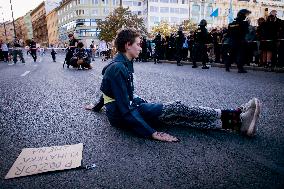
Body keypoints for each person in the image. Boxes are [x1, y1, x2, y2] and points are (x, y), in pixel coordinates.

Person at [85, 28, 261, 142]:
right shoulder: (117, 68)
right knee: (178, 109)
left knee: (176, 117)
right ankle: (235, 116)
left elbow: (108, 91)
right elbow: (124, 109)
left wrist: (95, 106)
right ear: (127, 45)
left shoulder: (123, 63)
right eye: (138, 44)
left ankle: (237, 123)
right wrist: (152, 133)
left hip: (130, 109)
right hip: (125, 115)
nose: (141, 48)